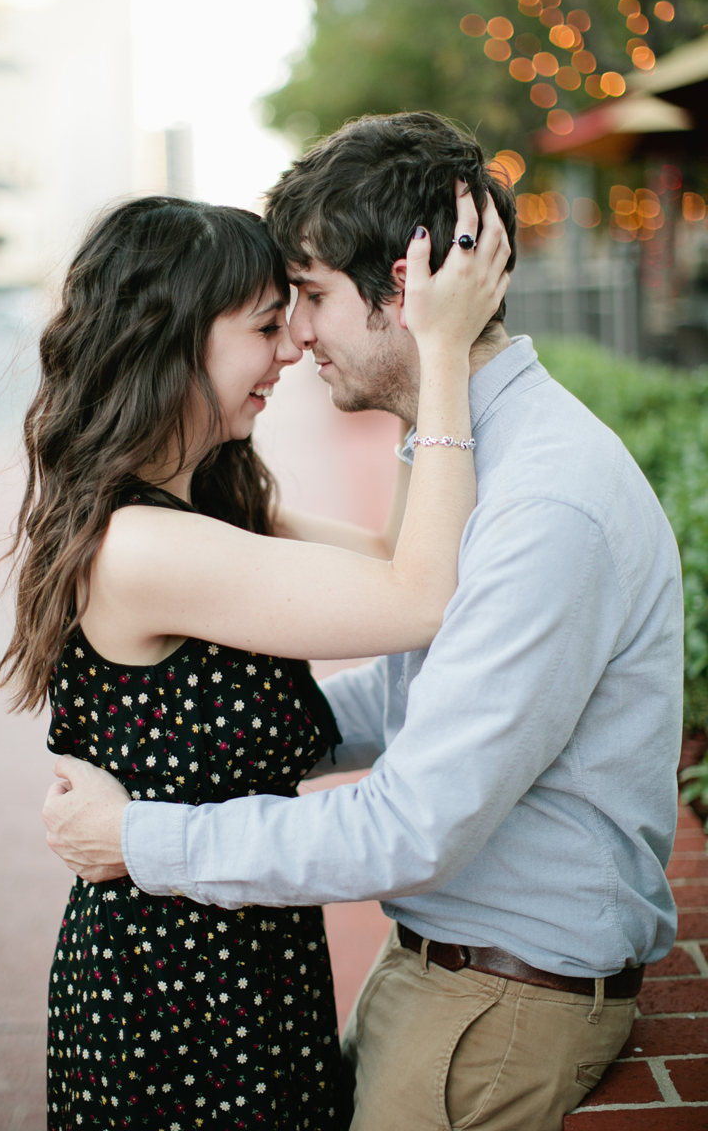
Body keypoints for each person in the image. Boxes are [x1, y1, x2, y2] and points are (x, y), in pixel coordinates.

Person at [44, 112, 685, 1131]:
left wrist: (140, 832)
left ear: (405, 292)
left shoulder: (538, 499)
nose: (297, 338)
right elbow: (414, 680)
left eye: (306, 298)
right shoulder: (481, 453)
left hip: (494, 999)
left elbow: (408, 822)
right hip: (432, 975)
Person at [0, 187, 511, 1130]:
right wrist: (439, 354)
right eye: (266, 326)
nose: (289, 352)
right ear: (175, 335)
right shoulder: (142, 548)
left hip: (247, 965)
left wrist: (403, 374)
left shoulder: (214, 502)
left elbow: (407, 560)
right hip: (177, 1000)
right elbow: (422, 601)